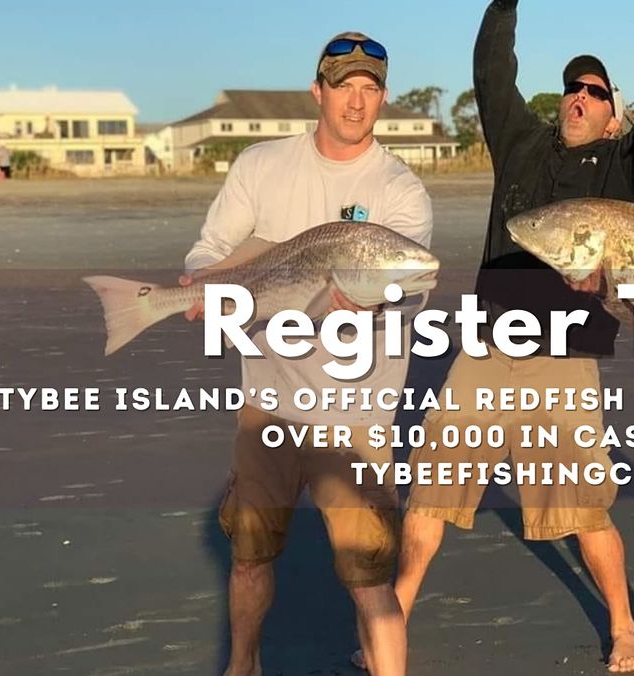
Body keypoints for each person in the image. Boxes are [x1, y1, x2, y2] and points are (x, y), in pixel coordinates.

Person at [393, 1, 634, 672]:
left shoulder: (626, 168)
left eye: (596, 91)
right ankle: (393, 618)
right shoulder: (522, 145)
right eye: (573, 88)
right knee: (429, 495)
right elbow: (492, 73)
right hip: (486, 350)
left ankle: (623, 628)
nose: (580, 97)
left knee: (584, 509)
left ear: (614, 114)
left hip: (564, 364)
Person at [182, 32, 433, 676]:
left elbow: (408, 282)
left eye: (370, 88)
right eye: (344, 85)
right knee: (249, 557)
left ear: (383, 98)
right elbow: (210, 251)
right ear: (317, 91)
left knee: (368, 575)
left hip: (358, 415)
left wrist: (373, 301)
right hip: (269, 408)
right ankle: (243, 666)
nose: (356, 101)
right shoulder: (261, 165)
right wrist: (201, 286)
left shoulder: (400, 189)